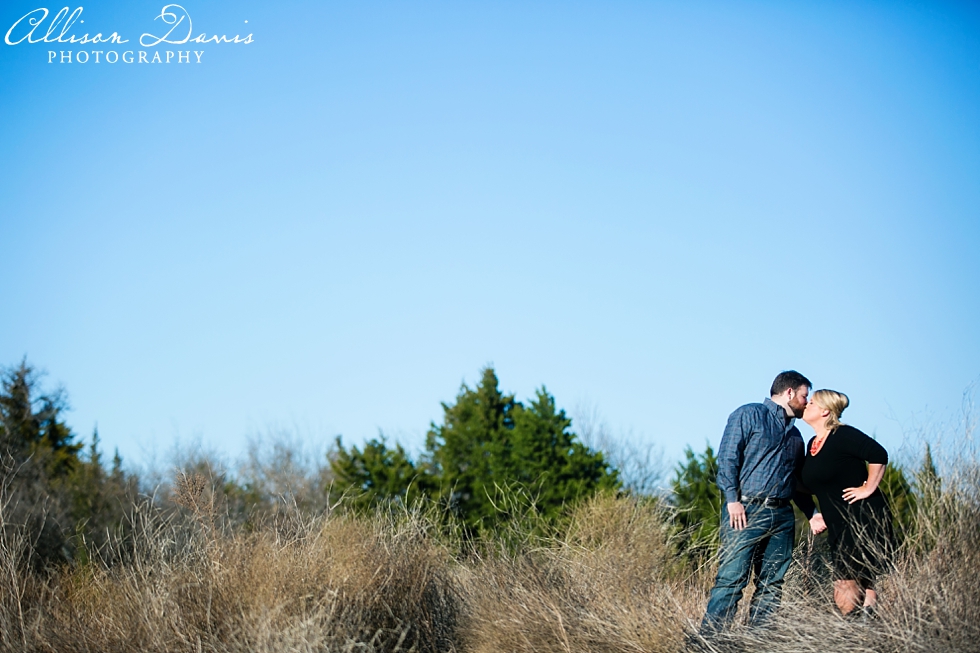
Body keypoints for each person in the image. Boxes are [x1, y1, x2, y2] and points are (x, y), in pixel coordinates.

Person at [701, 371, 827, 632]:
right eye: (805, 396)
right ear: (789, 392)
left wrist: (812, 511)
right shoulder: (748, 414)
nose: (807, 402)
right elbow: (727, 459)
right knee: (732, 580)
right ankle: (710, 643)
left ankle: (758, 642)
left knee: (772, 585)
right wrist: (732, 500)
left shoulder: (796, 437)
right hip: (745, 511)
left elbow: (794, 483)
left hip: (782, 518)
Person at [801, 389, 893, 617]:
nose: (806, 405)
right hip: (838, 523)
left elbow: (878, 454)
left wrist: (868, 488)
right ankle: (867, 633)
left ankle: (853, 633)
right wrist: (812, 513)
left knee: (846, 583)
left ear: (824, 411)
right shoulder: (812, 442)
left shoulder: (843, 434)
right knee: (862, 581)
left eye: (811, 402)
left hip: (862, 517)